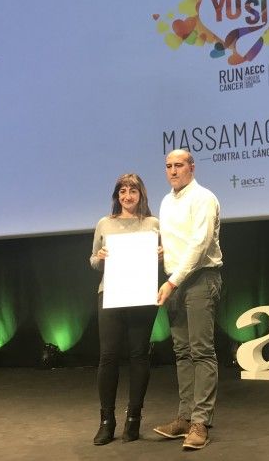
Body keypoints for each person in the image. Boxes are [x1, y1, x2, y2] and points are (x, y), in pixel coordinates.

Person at [153, 149, 223, 450]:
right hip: (176, 281)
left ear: (191, 168)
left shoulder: (204, 198)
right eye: (168, 166)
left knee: (201, 351)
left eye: (179, 165)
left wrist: (171, 282)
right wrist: (161, 254)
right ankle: (184, 417)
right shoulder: (166, 201)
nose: (173, 170)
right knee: (182, 352)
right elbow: (176, 244)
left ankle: (200, 422)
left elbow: (199, 245)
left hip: (200, 279)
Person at [89, 173, 160, 445]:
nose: (127, 196)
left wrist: (161, 255)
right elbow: (93, 261)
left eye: (132, 191)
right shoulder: (104, 223)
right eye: (122, 191)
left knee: (139, 355)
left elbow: (163, 259)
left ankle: (134, 419)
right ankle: (106, 421)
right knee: (108, 356)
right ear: (116, 196)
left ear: (141, 195)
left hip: (142, 295)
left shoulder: (153, 224)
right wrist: (100, 257)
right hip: (111, 294)